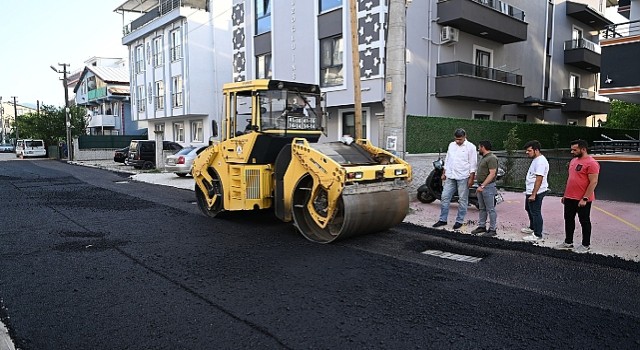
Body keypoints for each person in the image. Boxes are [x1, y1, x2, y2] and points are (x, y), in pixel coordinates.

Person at [555, 139, 600, 253]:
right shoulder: (573, 161)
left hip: (583, 199)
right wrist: (566, 195)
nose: (572, 152)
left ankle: (585, 245)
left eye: (575, 149)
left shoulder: (592, 163)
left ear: (583, 149)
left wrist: (585, 198)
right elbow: (571, 179)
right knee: (568, 219)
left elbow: (593, 182)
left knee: (584, 221)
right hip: (570, 198)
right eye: (572, 149)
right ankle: (568, 242)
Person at [433, 128, 477, 230]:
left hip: (463, 177)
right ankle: (442, 220)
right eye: (456, 139)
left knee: (462, 200)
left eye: (460, 139)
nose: (458, 141)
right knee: (444, 197)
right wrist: (444, 172)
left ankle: (459, 221)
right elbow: (448, 159)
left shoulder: (471, 147)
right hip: (450, 176)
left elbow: (473, 164)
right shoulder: (451, 145)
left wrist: (471, 178)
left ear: (465, 137)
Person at [521, 140, 549, 242]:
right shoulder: (536, 159)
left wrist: (533, 194)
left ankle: (537, 234)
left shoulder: (541, 161)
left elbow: (539, 179)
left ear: (536, 150)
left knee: (536, 212)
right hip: (530, 191)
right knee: (528, 209)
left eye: (529, 150)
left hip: (537, 192)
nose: (527, 152)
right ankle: (532, 228)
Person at [471, 140, 499, 237]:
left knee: (490, 209)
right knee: (482, 208)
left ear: (483, 147)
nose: (478, 149)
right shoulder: (485, 158)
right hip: (481, 186)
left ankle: (492, 229)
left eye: (479, 147)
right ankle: (482, 226)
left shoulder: (491, 158)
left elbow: (492, 174)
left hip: (487, 187)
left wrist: (483, 186)